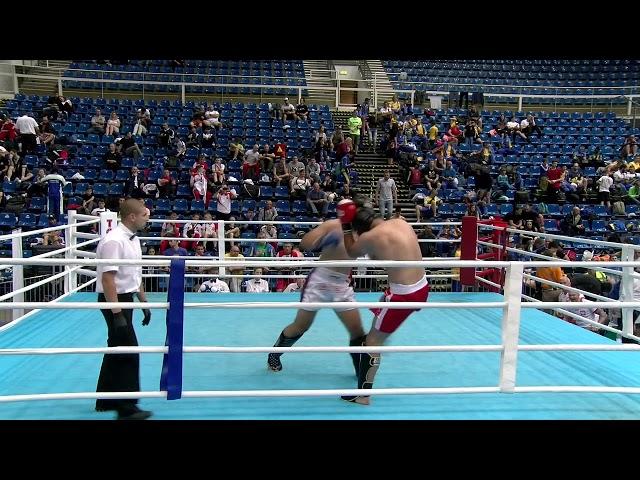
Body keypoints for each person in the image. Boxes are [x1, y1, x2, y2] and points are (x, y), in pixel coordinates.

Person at [337, 198, 429, 405]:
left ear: (360, 228)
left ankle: (363, 395)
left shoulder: (370, 236)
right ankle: (382, 333)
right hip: (422, 287)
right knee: (382, 305)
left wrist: (345, 227)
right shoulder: (401, 221)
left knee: (372, 342)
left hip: (403, 295)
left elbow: (351, 252)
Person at [267, 214, 366, 375]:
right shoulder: (333, 225)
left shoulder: (365, 232)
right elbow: (304, 243)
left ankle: (360, 369)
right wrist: (321, 240)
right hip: (319, 280)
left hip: (341, 283)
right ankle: (274, 354)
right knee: (301, 325)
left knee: (357, 330)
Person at [95, 199, 152, 420]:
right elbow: (108, 279)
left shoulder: (133, 240)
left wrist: (143, 302)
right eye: (145, 216)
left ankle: (105, 399)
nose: (148, 220)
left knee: (116, 346)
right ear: (132, 217)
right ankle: (127, 408)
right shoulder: (113, 241)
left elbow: (133, 275)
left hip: (125, 298)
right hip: (113, 300)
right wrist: (117, 313)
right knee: (128, 349)